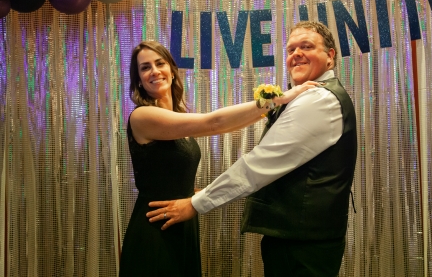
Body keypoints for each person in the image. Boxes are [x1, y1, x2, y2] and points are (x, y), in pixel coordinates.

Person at [147, 21, 358, 277]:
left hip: (303, 246)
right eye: (291, 50)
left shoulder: (319, 99)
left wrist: (197, 203)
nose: (296, 54)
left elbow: (259, 165)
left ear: (330, 56)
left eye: (306, 47)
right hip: (298, 240)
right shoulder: (309, 96)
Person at [119, 40, 317, 276]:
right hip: (155, 228)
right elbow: (213, 123)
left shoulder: (176, 117)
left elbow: (223, 128)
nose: (154, 71)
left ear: (172, 70)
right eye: (145, 67)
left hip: (181, 222)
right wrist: (276, 99)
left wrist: (272, 108)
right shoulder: (142, 117)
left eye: (159, 63)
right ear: (139, 80)